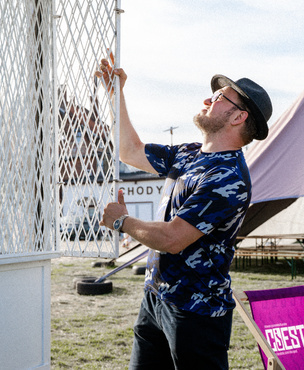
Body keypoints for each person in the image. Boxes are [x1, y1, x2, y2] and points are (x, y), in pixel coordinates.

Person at [95, 53, 272, 370]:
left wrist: (122, 221)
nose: (208, 99)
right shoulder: (189, 153)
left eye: (219, 97)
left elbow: (173, 238)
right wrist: (115, 94)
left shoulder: (228, 178)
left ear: (238, 118)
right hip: (155, 299)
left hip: (196, 313)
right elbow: (130, 151)